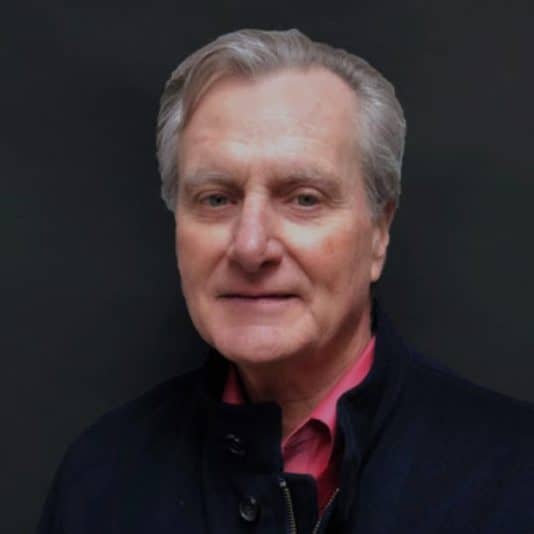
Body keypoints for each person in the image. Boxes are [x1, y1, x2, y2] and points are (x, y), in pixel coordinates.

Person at [37, 28, 534, 533]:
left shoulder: (516, 479)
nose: (251, 247)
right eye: (216, 199)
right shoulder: (101, 482)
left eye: (304, 199)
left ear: (378, 233)